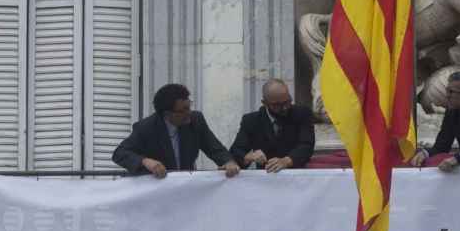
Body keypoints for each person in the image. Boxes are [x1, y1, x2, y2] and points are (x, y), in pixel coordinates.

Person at [112, 83, 241, 178]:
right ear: (167, 114)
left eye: (189, 107)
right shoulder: (146, 128)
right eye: (183, 110)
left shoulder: (196, 120)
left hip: (185, 187)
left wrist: (228, 162)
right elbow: (120, 153)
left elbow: (214, 148)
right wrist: (145, 161)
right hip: (157, 190)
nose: (189, 113)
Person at [231, 79, 316, 172]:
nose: (284, 108)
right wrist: (249, 157)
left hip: (296, 174)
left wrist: (286, 161)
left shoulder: (302, 113)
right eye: (277, 105)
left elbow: (306, 145)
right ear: (264, 103)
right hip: (266, 178)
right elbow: (236, 152)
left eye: (287, 102)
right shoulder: (251, 120)